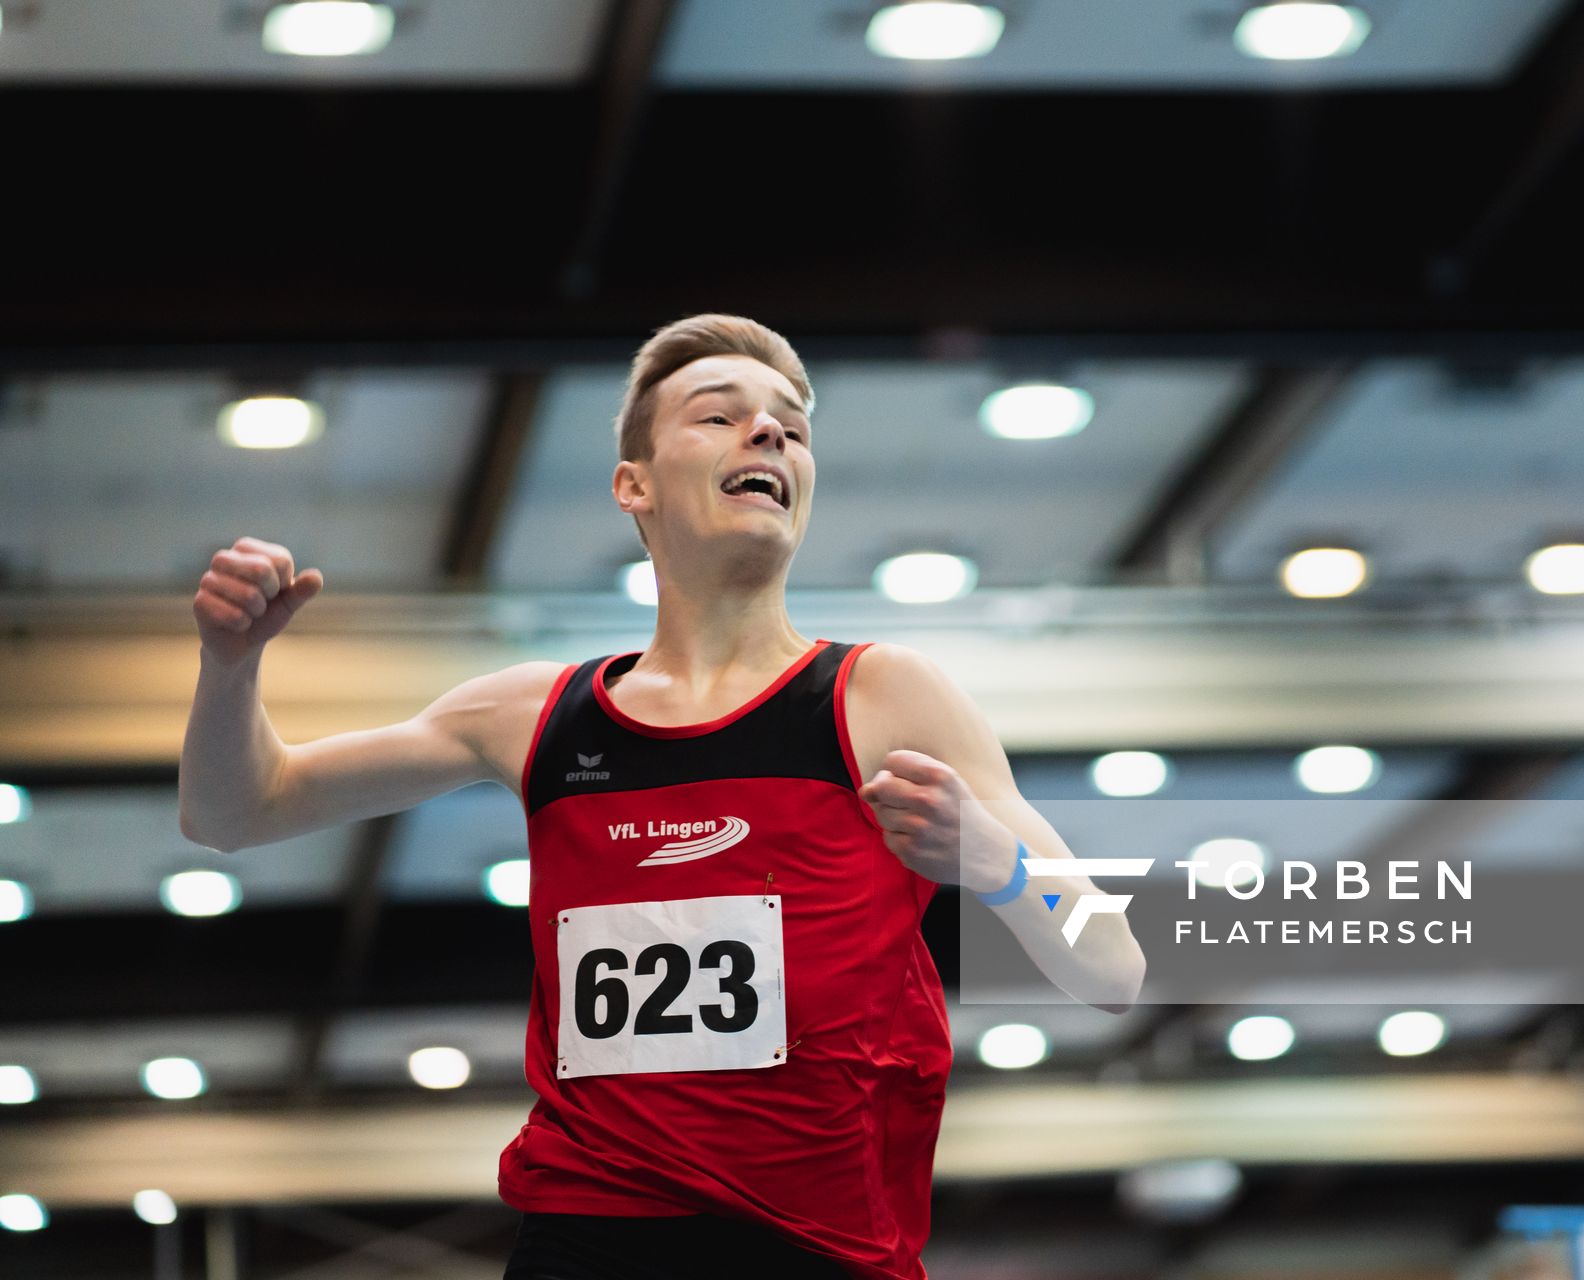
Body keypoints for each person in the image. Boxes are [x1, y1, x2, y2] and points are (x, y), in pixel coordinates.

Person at [179, 313, 1147, 1280]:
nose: (767, 434)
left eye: (792, 429)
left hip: (816, 1250)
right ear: (632, 484)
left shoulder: (886, 699)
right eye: (718, 417)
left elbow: (1116, 966)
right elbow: (236, 809)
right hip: (587, 1237)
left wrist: (998, 863)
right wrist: (230, 667)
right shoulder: (538, 715)